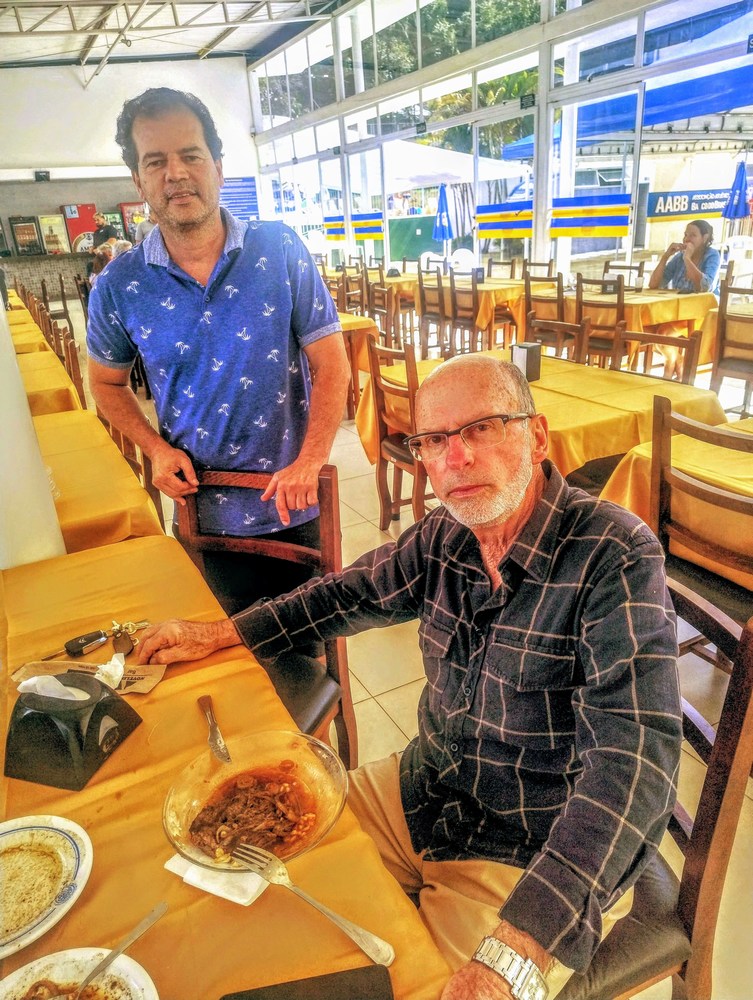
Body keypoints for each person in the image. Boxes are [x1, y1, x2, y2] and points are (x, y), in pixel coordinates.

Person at [136, 354, 682, 1000]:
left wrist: (517, 948)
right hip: (421, 790)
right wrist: (220, 633)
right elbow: (344, 595)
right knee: (237, 870)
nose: (456, 458)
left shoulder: (613, 555)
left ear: (536, 436)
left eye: (481, 428)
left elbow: (634, 763)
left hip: (528, 851)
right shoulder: (445, 536)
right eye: (433, 440)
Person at [86, 88, 350, 614]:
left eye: (191, 155)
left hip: (294, 502)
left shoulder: (280, 249)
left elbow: (332, 363)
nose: (176, 173)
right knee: (220, 650)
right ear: (138, 181)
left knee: (305, 646)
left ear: (219, 167)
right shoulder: (119, 284)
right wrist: (154, 449)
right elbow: (105, 383)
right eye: (155, 161)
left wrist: (311, 459)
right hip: (200, 512)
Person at [648, 219, 721, 294]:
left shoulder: (712, 255)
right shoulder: (679, 257)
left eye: (693, 235)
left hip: (705, 301)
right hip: (679, 301)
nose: (686, 239)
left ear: (705, 238)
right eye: (685, 235)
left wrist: (687, 259)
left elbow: (706, 287)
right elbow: (654, 285)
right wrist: (665, 257)